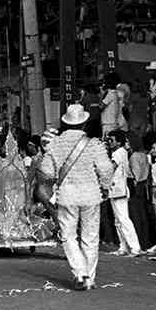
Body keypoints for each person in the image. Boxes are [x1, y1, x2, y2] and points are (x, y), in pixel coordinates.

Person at [38, 104, 114, 290]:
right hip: (91, 194)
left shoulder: (55, 144)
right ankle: (90, 277)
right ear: (84, 122)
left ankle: (80, 273)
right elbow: (105, 169)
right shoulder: (95, 144)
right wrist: (104, 187)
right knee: (91, 236)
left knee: (68, 236)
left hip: (67, 195)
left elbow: (46, 172)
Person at [105, 130, 141, 256]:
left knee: (123, 218)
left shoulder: (120, 152)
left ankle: (135, 247)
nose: (109, 142)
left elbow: (111, 167)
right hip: (114, 189)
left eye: (112, 140)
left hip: (119, 188)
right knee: (118, 220)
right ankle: (123, 246)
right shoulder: (117, 152)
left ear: (119, 142)